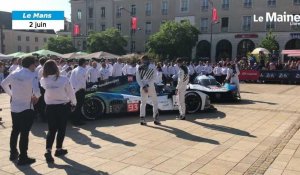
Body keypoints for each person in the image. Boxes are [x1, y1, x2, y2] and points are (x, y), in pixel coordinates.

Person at [1, 56, 41, 165]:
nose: (35, 65)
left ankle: (13, 153)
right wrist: (36, 97)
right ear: (31, 64)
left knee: (15, 131)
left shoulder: (14, 73)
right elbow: (37, 91)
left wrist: (12, 95)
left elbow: (3, 83)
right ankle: (23, 157)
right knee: (24, 133)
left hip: (14, 106)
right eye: (35, 63)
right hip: (26, 108)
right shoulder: (32, 75)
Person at [40, 60, 77, 163]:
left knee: (51, 130)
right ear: (56, 68)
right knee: (61, 129)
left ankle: (48, 151)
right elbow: (71, 93)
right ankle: (58, 149)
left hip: (50, 107)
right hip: (62, 107)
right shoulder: (64, 79)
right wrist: (74, 103)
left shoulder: (43, 80)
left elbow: (45, 87)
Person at [136, 55, 160, 125]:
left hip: (143, 87)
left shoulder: (138, 67)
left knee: (143, 103)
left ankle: (142, 119)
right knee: (155, 102)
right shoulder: (153, 66)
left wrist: (143, 86)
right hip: (151, 86)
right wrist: (147, 85)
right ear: (148, 59)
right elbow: (155, 78)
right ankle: (156, 119)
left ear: (142, 60)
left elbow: (138, 79)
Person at [69, 58, 87, 126]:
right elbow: (81, 82)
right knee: (78, 106)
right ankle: (76, 121)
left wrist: (73, 91)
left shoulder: (74, 69)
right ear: (83, 63)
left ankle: (74, 120)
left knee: (75, 106)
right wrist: (82, 89)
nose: (86, 64)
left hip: (74, 90)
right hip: (79, 90)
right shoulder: (82, 70)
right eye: (85, 63)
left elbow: (70, 81)